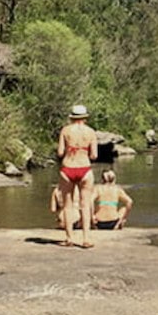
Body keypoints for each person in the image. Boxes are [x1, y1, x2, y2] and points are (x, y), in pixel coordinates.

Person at [56, 104, 98, 247]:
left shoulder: (65, 130)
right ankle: (86, 239)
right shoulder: (91, 132)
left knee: (67, 205)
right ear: (85, 117)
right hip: (84, 168)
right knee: (85, 205)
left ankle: (69, 238)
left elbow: (60, 152)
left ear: (72, 117)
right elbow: (94, 155)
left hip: (68, 168)